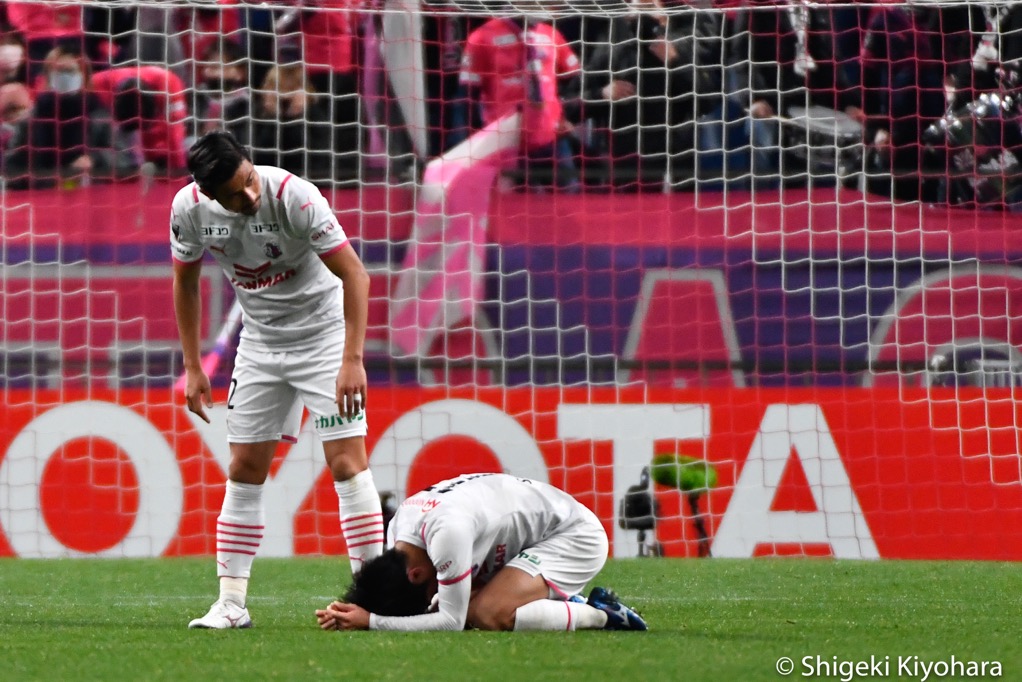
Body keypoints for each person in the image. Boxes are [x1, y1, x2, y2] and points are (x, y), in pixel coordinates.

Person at [171, 130, 385, 629]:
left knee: (347, 463)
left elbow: (356, 274)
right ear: (207, 194)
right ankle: (231, 604)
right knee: (244, 467)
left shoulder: (295, 195)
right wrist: (193, 365)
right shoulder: (188, 210)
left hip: (326, 337)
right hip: (261, 343)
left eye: (248, 180)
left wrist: (352, 358)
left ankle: (374, 597)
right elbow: (184, 282)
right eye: (233, 193)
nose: (247, 195)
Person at [315, 473, 648, 632]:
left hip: (573, 536)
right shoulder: (400, 533)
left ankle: (602, 614)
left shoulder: (446, 535)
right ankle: (558, 601)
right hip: (528, 533)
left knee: (486, 614)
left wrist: (371, 621)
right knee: (459, 597)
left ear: (415, 574)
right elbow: (432, 598)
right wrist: (356, 607)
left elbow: (451, 621)